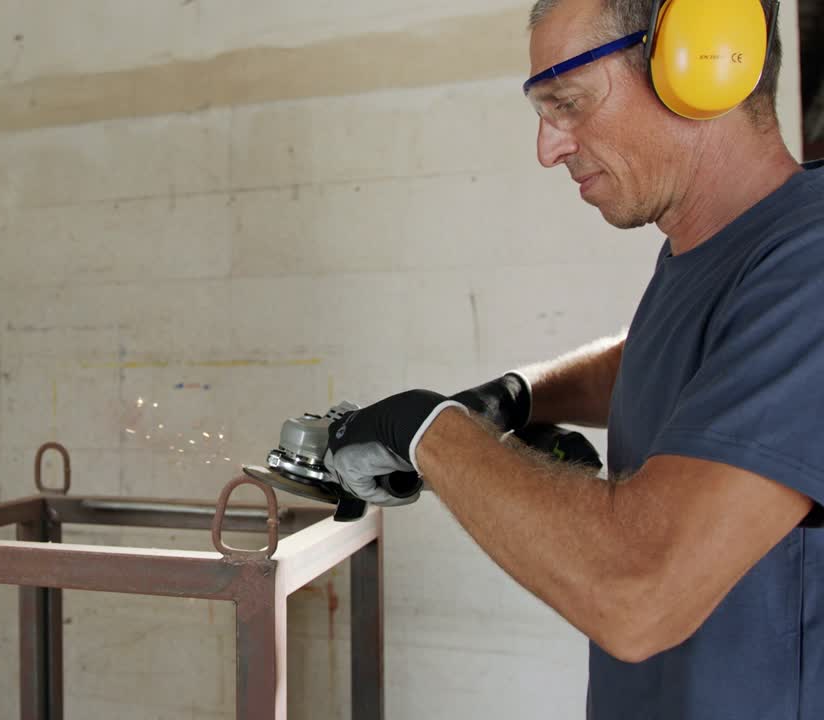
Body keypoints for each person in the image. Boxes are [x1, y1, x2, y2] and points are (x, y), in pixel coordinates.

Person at [322, 0, 824, 717]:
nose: (548, 147)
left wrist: (427, 432)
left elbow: (637, 591)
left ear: (707, 60)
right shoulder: (717, 257)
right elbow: (673, 355)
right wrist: (520, 396)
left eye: (569, 102)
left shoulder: (811, 263)